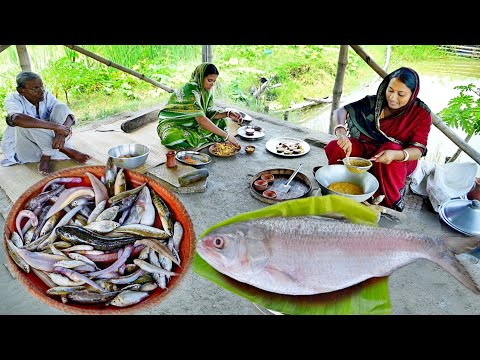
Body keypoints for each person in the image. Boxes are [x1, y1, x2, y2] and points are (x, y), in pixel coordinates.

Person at [324, 67, 432, 212]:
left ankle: (386, 202)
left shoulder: (421, 113)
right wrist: (341, 132)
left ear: (413, 94)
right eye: (390, 90)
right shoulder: (374, 103)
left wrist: (395, 154)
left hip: (399, 157)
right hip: (367, 148)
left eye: (401, 94)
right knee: (336, 147)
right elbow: (340, 111)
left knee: (390, 148)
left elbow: (418, 150)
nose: (393, 98)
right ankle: (344, 188)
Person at [1, 71, 91, 175]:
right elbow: (16, 119)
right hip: (26, 145)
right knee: (26, 122)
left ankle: (47, 154)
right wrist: (57, 127)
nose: (41, 91)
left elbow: (69, 115)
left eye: (41, 86)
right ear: (21, 90)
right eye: (35, 88)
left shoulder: (46, 95)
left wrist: (61, 134)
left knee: (61, 107)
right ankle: (60, 149)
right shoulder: (13, 99)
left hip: (52, 141)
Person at [157, 62, 243, 150]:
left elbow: (208, 112)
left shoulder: (206, 90)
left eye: (214, 81)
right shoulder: (190, 90)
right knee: (170, 138)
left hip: (194, 123)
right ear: (200, 77)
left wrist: (227, 114)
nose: (212, 84)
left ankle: (198, 138)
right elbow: (201, 120)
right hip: (174, 123)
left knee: (221, 121)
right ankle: (205, 137)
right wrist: (227, 136)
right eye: (209, 80)